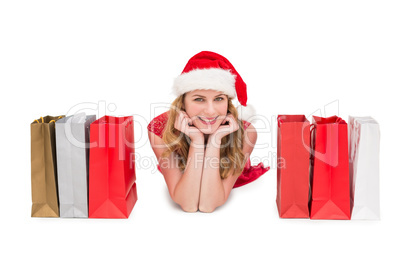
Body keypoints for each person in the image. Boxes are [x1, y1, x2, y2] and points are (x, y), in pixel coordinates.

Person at [147, 51, 269, 213]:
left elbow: (207, 205)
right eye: (199, 99)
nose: (211, 111)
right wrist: (197, 141)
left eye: (219, 99)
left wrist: (215, 140)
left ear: (228, 102)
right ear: (183, 103)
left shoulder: (246, 133)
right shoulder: (159, 129)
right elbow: (188, 204)